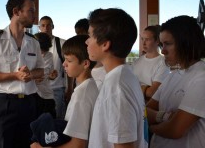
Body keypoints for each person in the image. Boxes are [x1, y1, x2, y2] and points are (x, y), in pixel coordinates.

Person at [0, 0, 45, 148]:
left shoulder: (33, 42)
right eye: (31, 11)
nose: (35, 15)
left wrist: (30, 74)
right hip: (5, 103)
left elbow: (41, 70)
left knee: (27, 144)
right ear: (16, 11)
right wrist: (14, 75)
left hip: (29, 103)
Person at [86, 8, 147, 148]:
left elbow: (124, 144)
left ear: (105, 44)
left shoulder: (117, 85)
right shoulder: (124, 75)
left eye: (90, 36)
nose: (87, 42)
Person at [146, 15, 205, 148]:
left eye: (168, 44)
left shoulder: (202, 78)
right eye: (162, 44)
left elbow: (175, 130)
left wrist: (151, 128)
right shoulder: (172, 75)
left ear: (187, 43)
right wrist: (164, 117)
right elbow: (145, 111)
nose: (163, 51)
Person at [30, 35, 99, 148]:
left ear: (85, 64)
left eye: (69, 60)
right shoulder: (90, 85)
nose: (64, 64)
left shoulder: (82, 95)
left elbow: (78, 144)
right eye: (64, 59)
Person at [39, 16, 72, 119]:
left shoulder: (61, 43)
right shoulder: (33, 43)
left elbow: (69, 67)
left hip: (56, 88)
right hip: (38, 90)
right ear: (39, 27)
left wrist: (70, 88)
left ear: (53, 26)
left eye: (48, 25)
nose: (46, 28)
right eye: (43, 25)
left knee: (57, 119)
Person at [132, 25, 169, 101]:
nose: (143, 43)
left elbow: (152, 92)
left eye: (147, 39)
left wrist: (133, 87)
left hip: (149, 106)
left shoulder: (163, 62)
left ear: (157, 41)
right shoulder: (137, 61)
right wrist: (145, 88)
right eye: (142, 39)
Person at [34, 32, 57, 118]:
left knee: (49, 125)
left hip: (46, 96)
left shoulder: (49, 55)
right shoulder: (27, 55)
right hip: (32, 96)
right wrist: (34, 78)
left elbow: (46, 73)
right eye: (39, 50)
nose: (42, 54)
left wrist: (51, 76)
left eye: (44, 51)